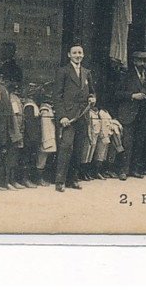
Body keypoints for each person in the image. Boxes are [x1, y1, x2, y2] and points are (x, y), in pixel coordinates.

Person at [53, 43, 97, 192]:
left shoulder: (86, 72)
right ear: (69, 55)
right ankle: (60, 181)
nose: (78, 55)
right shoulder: (63, 72)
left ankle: (73, 179)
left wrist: (92, 98)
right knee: (66, 147)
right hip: (69, 118)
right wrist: (62, 116)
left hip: (83, 116)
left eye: (80, 53)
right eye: (75, 53)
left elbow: (92, 92)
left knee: (78, 148)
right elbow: (57, 96)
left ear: (83, 55)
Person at [115, 51, 146, 179]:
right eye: (140, 60)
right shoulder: (126, 76)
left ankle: (134, 170)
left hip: (143, 115)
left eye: (145, 61)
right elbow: (116, 93)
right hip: (129, 114)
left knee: (139, 143)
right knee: (127, 143)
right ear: (134, 61)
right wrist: (133, 96)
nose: (143, 63)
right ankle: (123, 170)